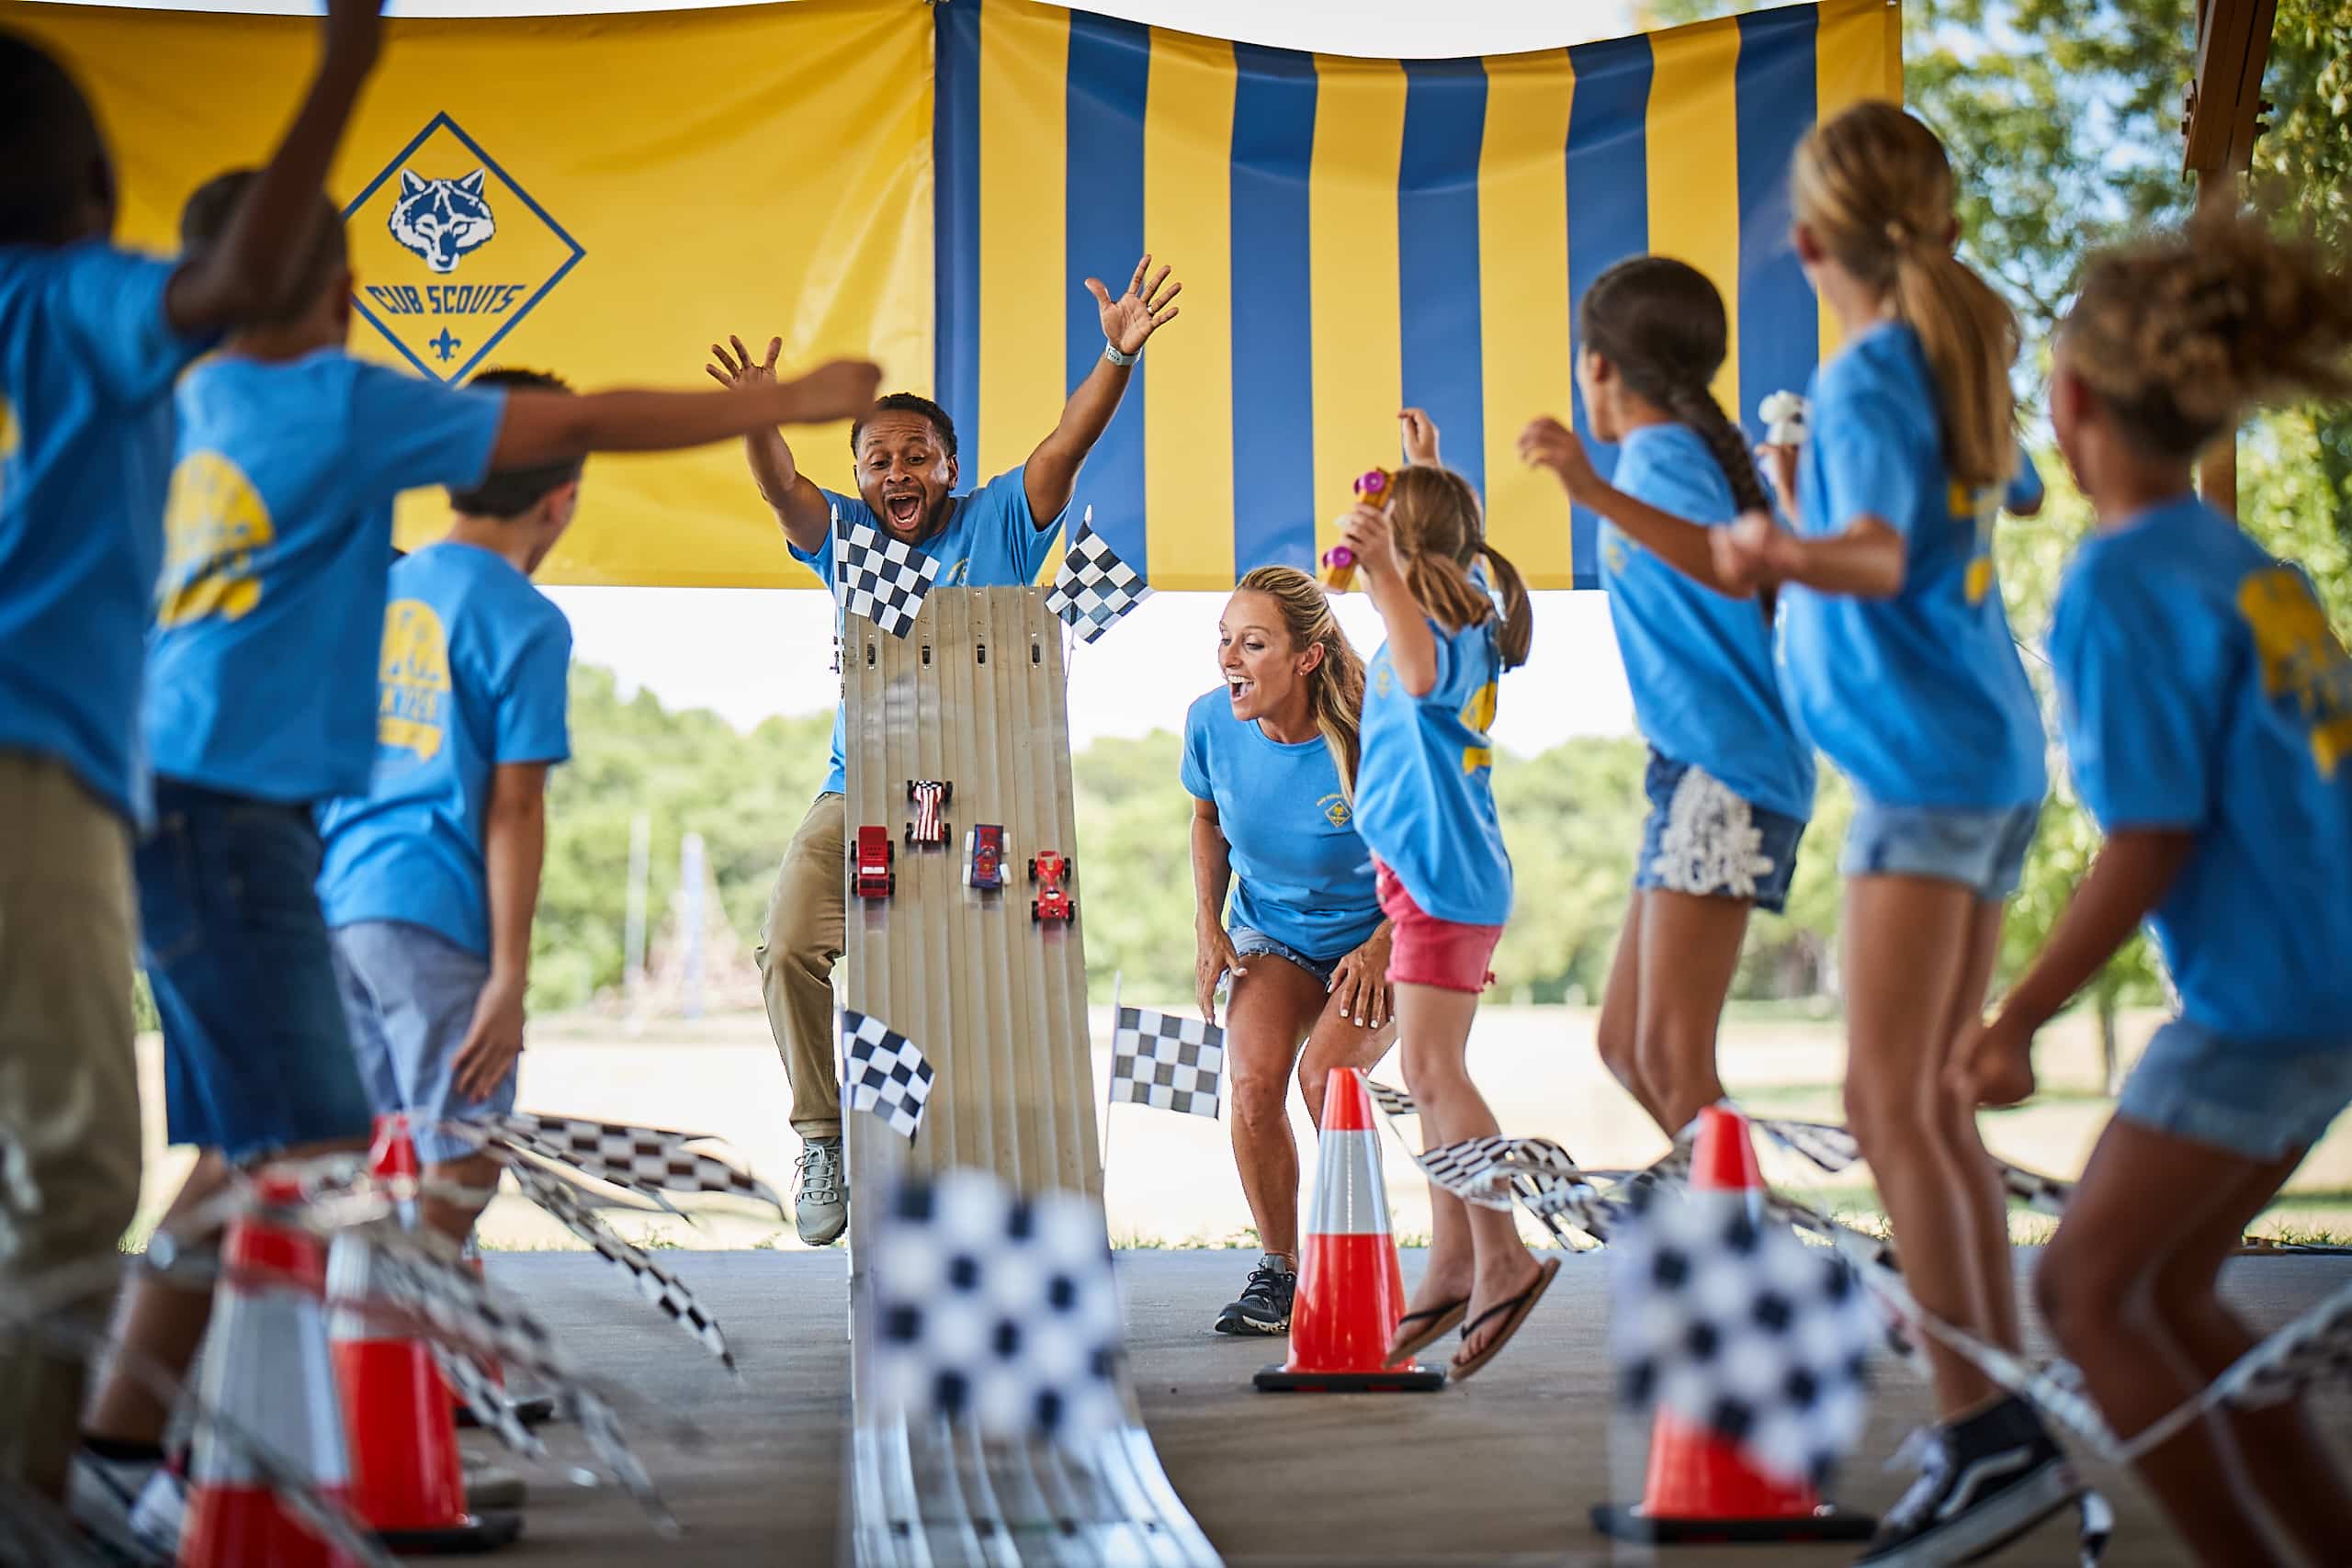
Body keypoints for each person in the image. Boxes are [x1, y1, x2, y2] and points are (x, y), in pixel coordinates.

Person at [71, 171, 879, 1559]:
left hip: (243, 851)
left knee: (266, 1157)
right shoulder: (379, 458)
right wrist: (781, 401)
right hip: (324, 871)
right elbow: (515, 800)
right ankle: (314, 1423)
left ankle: (145, 1446)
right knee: (403, 1164)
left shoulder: (213, 427)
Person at [0, 7, 389, 1520]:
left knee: (219, 1144)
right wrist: (343, 68)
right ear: (95, 193)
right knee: (87, 1167)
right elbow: (227, 284)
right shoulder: (66, 298)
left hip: (114, 792)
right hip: (48, 771)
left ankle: (107, 1454)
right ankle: (51, 1490)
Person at [1953, 212, 2352, 1568]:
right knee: (2174, 1293)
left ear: (2069, 404)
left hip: (2258, 1004)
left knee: (2083, 1291)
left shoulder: (2121, 583)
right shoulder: (2254, 571)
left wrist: (2013, 1019)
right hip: (2328, 986)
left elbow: (2148, 840)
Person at [1711, 100, 2072, 1564]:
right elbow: (1994, 494)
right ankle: (2001, 1416)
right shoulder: (1954, 352)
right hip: (1986, 752)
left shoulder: (1867, 367)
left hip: (1923, 769)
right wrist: (1812, 502)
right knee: (1926, 1104)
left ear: (1810, 244)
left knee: (1886, 1101)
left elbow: (1879, 551)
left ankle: (1987, 1429)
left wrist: (1771, 540)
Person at [708, 253, 1182, 1246]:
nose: (898, 473)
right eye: (878, 461)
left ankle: (1015, 1169)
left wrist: (1116, 358)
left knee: (996, 978)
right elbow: (782, 488)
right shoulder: (848, 540)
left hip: (991, 798)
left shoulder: (1000, 522)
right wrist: (758, 420)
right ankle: (823, 1135)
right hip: (866, 790)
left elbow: (1067, 443)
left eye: (917, 456)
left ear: (949, 470)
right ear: (859, 479)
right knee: (788, 942)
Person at [1519, 255, 1815, 1139]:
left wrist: (1592, 490)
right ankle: (1724, 1209)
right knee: (1626, 1047)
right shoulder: (1677, 458)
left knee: (1672, 1057)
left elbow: (1734, 567)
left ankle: (1747, 1227)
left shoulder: (1660, 459)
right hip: (1691, 769)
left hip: (1728, 766)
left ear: (1598, 366)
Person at [317, 367, 587, 1253]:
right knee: (463, 1162)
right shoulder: (527, 620)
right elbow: (515, 808)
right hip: (432, 913)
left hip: (339, 905)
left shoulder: (381, 590)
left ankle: (401, 1336)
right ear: (562, 500)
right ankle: (402, 1317)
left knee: (383, 1154)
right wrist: (509, 979)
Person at [1333, 448, 1552, 1382]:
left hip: (1439, 881)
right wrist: (1423, 471)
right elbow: (1439, 585)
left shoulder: (1438, 633)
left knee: (1431, 1070)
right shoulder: (1464, 609)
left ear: (1408, 548)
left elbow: (1418, 678)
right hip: (1429, 878)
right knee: (1428, 1077)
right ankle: (1456, 1261)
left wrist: (1384, 568)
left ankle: (1501, 1256)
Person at [1184, 564, 1394, 1336]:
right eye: (1225, 639)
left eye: (1253, 643)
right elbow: (1207, 819)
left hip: (1381, 932)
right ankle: (1281, 1271)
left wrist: (1384, 943)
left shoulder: (1373, 732)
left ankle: (1360, 1269)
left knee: (1324, 1080)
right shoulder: (1210, 723)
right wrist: (1208, 924)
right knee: (1252, 1083)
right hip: (1273, 931)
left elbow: (1425, 857)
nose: (1229, 658)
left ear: (1306, 656)